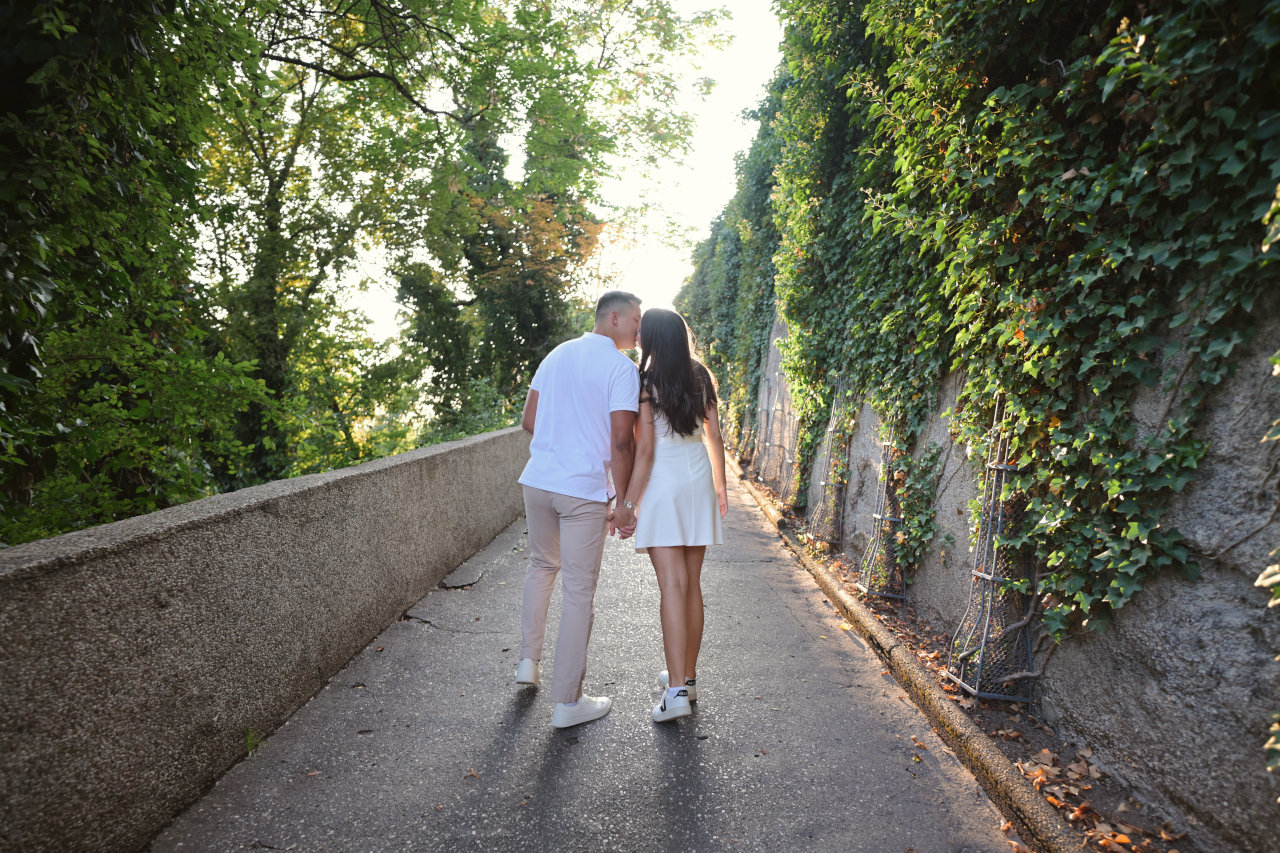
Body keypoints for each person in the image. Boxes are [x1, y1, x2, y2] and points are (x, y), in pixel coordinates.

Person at [515, 291, 642, 729]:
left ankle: (528, 663)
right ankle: (567, 703)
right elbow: (623, 441)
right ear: (614, 317)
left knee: (540, 567)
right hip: (581, 490)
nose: (640, 331)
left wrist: (562, 436)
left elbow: (529, 421)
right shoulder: (621, 369)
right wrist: (623, 502)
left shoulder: (556, 354)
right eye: (636, 321)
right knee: (579, 593)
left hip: (538, 481)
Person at [616, 308, 727, 723]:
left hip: (663, 486)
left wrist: (627, 505)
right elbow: (714, 436)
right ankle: (688, 678)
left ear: (653, 340)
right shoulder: (701, 375)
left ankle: (675, 690)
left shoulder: (646, 381)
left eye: (643, 333)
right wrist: (720, 486)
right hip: (697, 481)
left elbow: (644, 451)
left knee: (672, 586)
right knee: (691, 585)